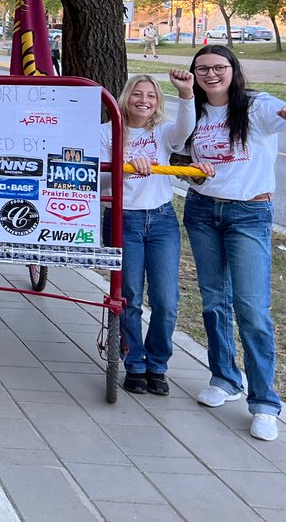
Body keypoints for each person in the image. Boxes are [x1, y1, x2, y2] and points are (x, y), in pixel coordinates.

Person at [182, 45, 286, 441]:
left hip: (249, 214)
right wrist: (192, 172)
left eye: (218, 67)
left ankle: (264, 403)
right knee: (214, 301)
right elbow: (182, 158)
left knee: (252, 309)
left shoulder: (257, 106)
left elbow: (283, 115)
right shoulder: (193, 110)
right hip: (202, 211)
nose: (210, 74)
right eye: (202, 69)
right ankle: (225, 378)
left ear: (233, 69)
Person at [100, 71, 199, 396]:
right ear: (126, 97)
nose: (144, 100)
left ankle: (158, 364)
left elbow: (185, 130)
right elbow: (97, 182)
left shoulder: (162, 132)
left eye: (151, 95)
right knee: (129, 296)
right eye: (138, 94)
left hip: (161, 220)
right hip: (123, 219)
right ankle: (135, 363)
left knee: (166, 299)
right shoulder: (107, 132)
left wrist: (186, 94)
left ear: (157, 102)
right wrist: (126, 168)